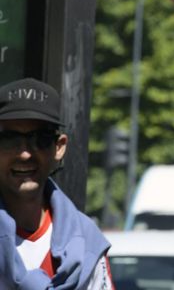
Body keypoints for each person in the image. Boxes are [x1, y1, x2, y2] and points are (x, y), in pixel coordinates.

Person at [0, 79, 112, 289]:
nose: (24, 153)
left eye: (40, 139)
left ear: (59, 147)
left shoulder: (87, 241)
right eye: (9, 139)